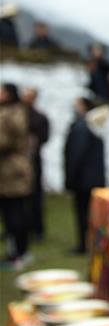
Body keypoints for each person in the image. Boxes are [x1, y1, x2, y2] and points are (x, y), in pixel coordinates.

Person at [64, 97, 106, 254]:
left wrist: (70, 177)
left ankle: (85, 244)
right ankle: (91, 243)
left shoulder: (83, 126)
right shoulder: (93, 125)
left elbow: (76, 154)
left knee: (83, 213)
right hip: (93, 177)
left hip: (83, 179)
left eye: (77, 104)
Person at [0, 83, 33, 270]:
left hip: (13, 172)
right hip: (5, 173)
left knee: (16, 214)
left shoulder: (15, 113)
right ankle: (14, 252)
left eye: (2, 91)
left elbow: (6, 139)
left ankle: (21, 253)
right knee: (9, 214)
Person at [21, 88, 50, 241]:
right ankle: (22, 228)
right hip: (20, 160)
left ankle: (37, 229)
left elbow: (44, 137)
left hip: (33, 160)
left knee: (35, 195)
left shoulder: (39, 117)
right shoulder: (19, 115)